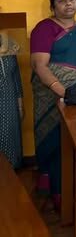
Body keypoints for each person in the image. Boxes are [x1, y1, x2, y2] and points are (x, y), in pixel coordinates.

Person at [30, 0, 76, 207]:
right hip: (53, 95)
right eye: (62, 1)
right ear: (53, 7)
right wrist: (63, 92)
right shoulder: (44, 28)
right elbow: (39, 66)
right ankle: (57, 190)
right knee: (54, 141)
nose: (68, 3)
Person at [0, 33, 24, 168]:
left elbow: (16, 78)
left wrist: (20, 106)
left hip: (9, 102)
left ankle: (11, 171)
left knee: (10, 135)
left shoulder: (9, 43)